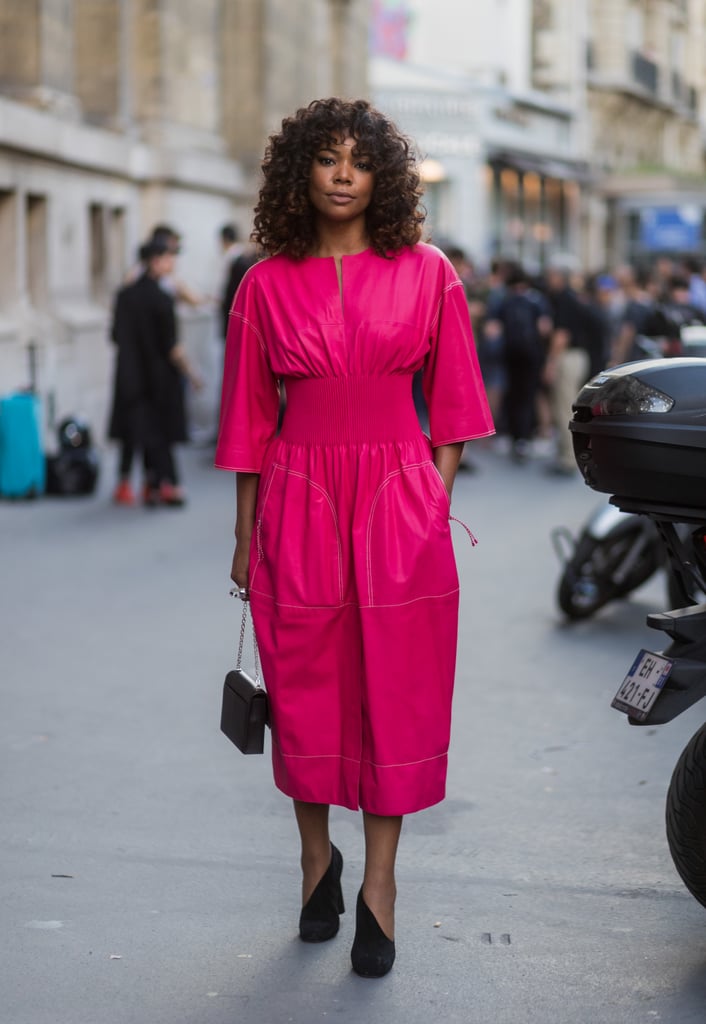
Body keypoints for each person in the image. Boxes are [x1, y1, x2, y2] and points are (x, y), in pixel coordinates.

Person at [215, 97, 494, 978]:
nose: (342, 174)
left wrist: (430, 501)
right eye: (326, 159)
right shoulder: (264, 283)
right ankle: (314, 860)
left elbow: (454, 406)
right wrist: (243, 535)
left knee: (396, 692)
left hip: (396, 499)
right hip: (296, 493)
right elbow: (248, 421)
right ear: (301, 174)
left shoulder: (428, 271)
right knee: (303, 689)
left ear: (384, 177)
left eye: (359, 161)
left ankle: (380, 885)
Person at [109, 238, 202, 507]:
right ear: (155, 260)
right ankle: (165, 483)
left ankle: (136, 482)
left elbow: (115, 335)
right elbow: (172, 346)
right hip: (160, 377)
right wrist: (194, 375)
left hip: (130, 375)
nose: (172, 263)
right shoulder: (163, 299)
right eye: (168, 258)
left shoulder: (124, 295)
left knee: (136, 429)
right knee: (160, 432)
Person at [484, 263, 552, 464]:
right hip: (532, 354)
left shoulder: (504, 300)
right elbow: (544, 328)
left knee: (511, 393)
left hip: (510, 353)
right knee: (528, 394)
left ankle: (513, 436)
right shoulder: (537, 300)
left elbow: (492, 329)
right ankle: (525, 437)